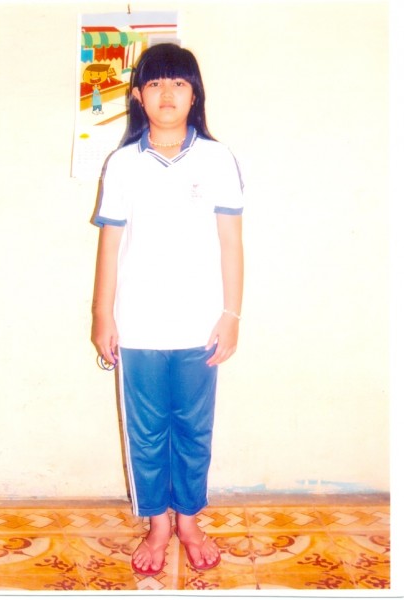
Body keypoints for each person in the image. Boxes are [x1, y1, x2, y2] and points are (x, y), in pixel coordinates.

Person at [91, 43, 244, 577]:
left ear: (194, 94)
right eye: (154, 84)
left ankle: (190, 522)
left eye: (178, 83)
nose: (167, 94)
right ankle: (158, 525)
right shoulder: (122, 164)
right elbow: (110, 243)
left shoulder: (218, 159)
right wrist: (103, 315)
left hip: (200, 326)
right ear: (138, 96)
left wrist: (231, 315)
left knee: (194, 429)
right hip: (138, 326)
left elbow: (231, 242)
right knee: (147, 432)